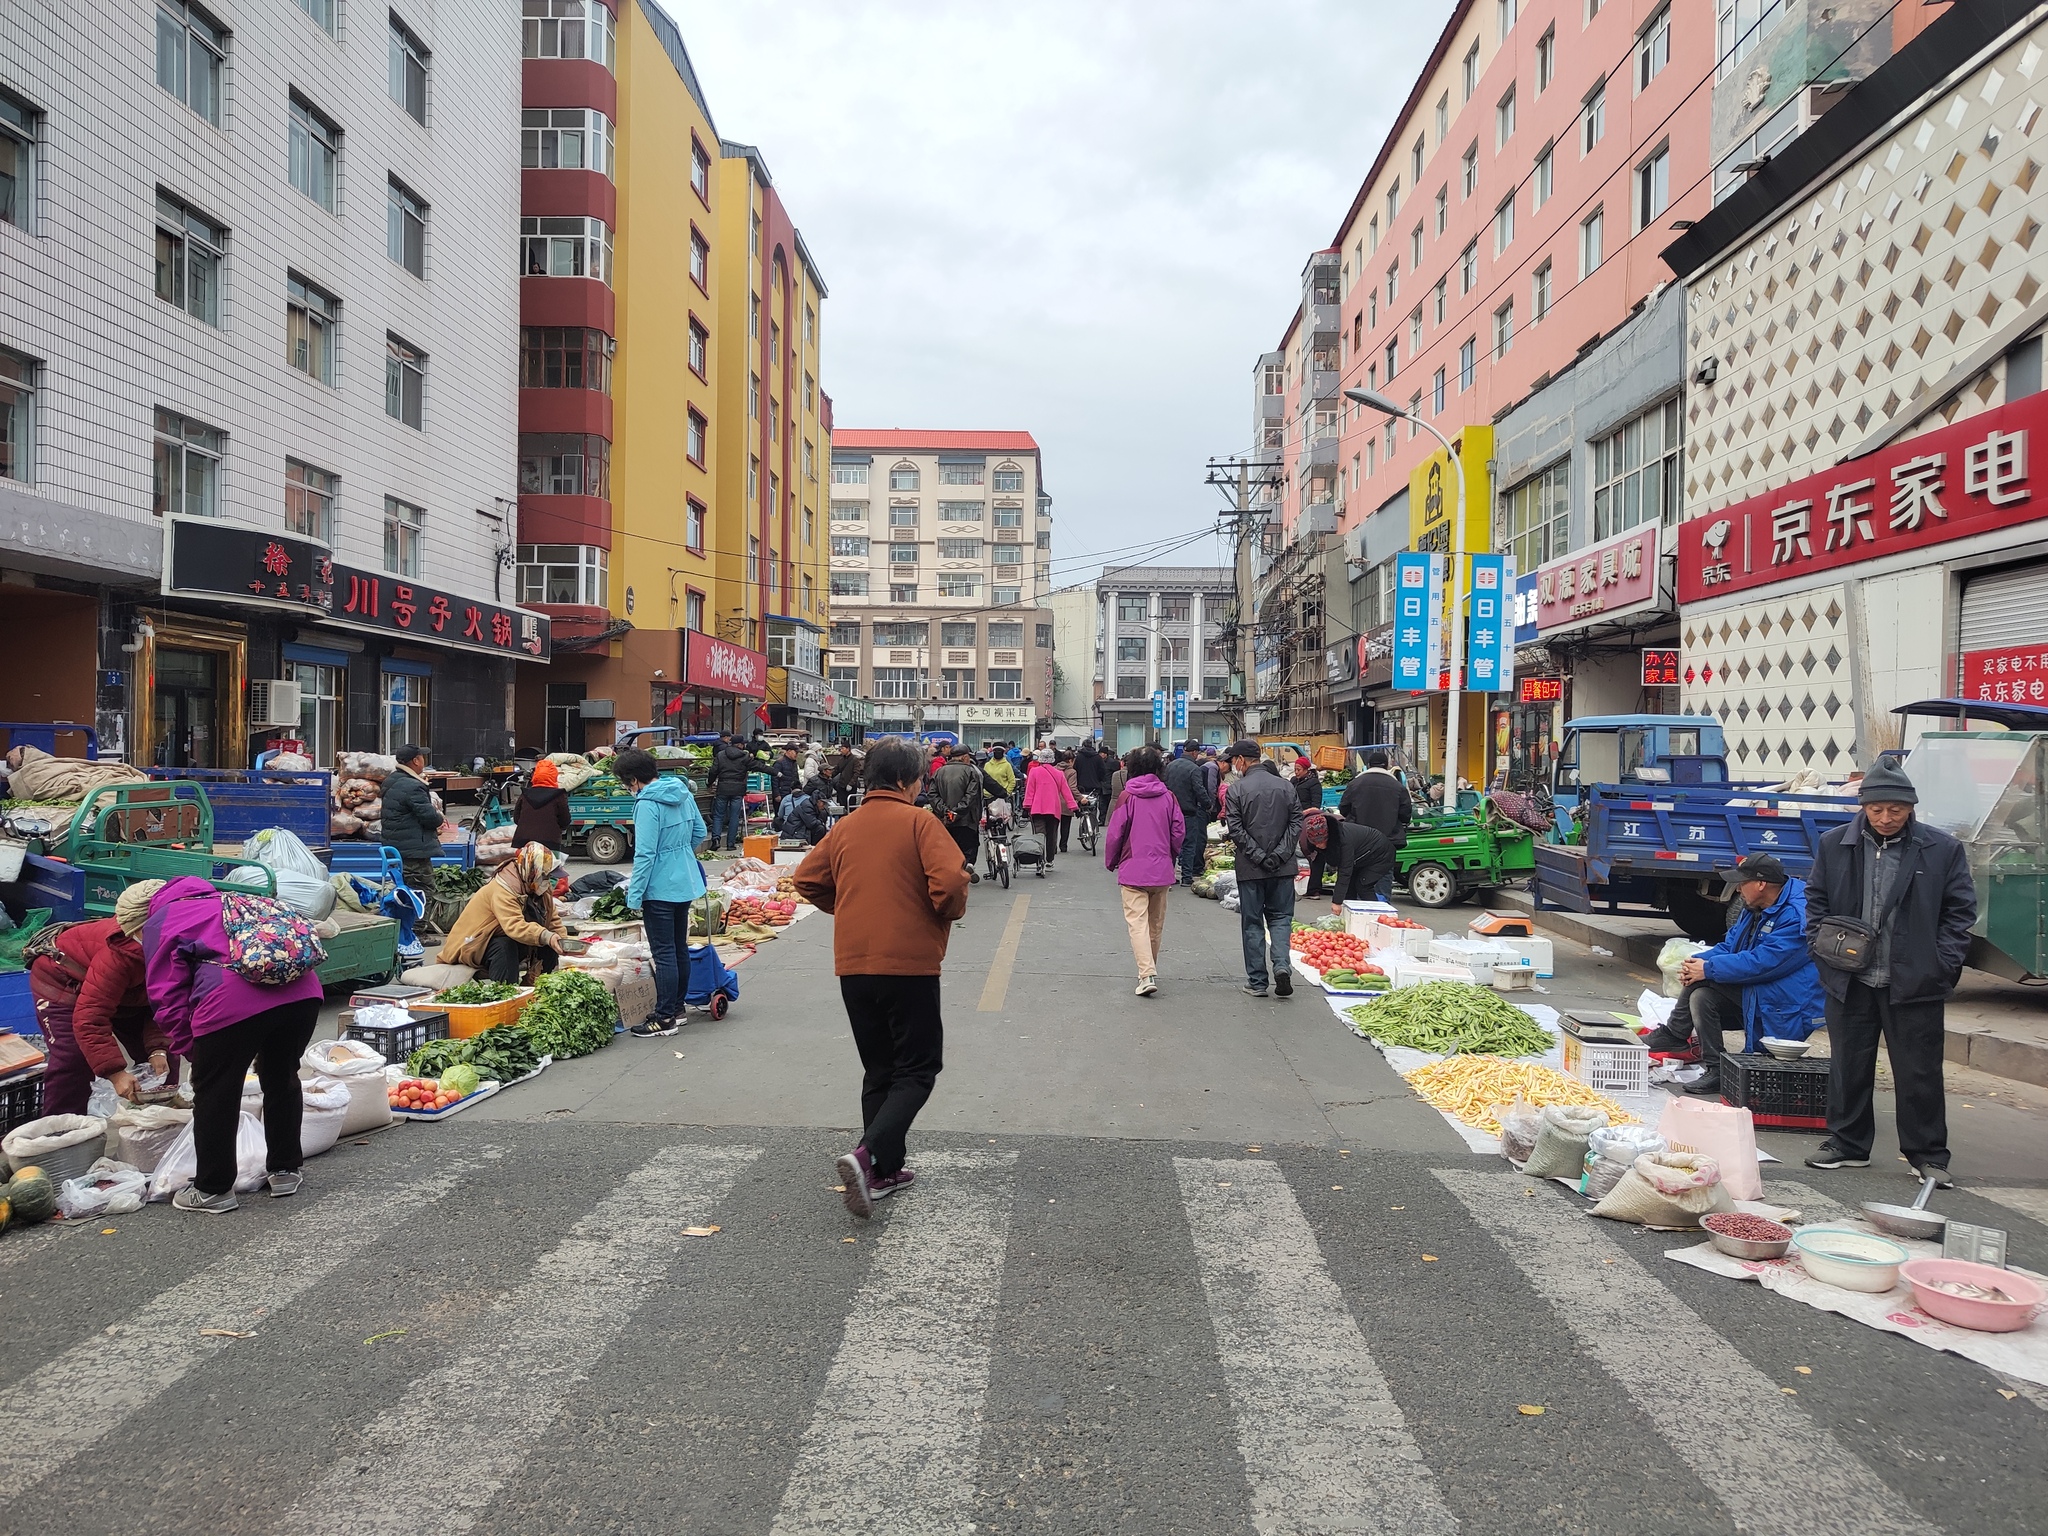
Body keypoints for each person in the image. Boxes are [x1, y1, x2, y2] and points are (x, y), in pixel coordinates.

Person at [794, 736, 970, 1219]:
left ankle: (885, 1171)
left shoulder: (846, 827)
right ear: (904, 780)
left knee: (879, 1069)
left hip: (854, 965)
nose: (919, 787)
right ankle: (867, 1154)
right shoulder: (919, 821)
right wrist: (941, 913)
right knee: (917, 1069)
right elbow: (952, 882)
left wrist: (848, 909)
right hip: (909, 964)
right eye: (918, 779)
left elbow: (806, 879)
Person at [1802, 760, 1976, 1183]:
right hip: (1850, 976)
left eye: (1894, 810)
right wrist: (1820, 950)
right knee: (1848, 1065)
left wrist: (1941, 964)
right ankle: (1848, 1144)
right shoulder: (1834, 844)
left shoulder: (1942, 849)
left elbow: (1960, 913)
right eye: (1876, 809)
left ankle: (1928, 1155)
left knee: (1919, 1071)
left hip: (1914, 980)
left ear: (1910, 808)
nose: (1885, 818)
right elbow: (1817, 901)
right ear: (1863, 807)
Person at [142, 876, 326, 1214]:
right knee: (282, 1076)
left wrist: (191, 1049)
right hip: (303, 994)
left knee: (216, 1090)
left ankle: (213, 1189)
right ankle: (285, 1171)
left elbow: (166, 994)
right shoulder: (244, 901)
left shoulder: (163, 920)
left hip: (230, 1003)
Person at [1641, 852, 1827, 1096]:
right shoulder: (1755, 905)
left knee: (1704, 980)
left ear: (1761, 884)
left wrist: (1706, 969)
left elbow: (1765, 963)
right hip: (1762, 987)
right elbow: (1730, 947)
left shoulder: (1796, 914)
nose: (1738, 889)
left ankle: (1675, 1034)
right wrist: (1697, 962)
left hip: (1787, 1000)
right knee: (1701, 995)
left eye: (1742, 883)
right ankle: (1715, 1068)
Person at [27, 888, 170, 1116]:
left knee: (163, 1062)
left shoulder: (179, 946)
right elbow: (90, 1017)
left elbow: (166, 1004)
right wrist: (115, 1073)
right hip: (64, 980)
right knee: (74, 1060)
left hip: (130, 991)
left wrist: (159, 1050)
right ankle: (60, 1133)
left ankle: (159, 1131)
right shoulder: (120, 954)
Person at [607, 747, 711, 1036]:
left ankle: (664, 1017)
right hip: (685, 881)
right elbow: (700, 832)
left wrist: (634, 895)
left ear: (633, 780)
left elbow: (644, 855)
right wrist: (679, 855)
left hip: (660, 887)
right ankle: (677, 1009)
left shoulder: (646, 804)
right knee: (679, 948)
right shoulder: (682, 791)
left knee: (664, 953)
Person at [1102, 745, 1183, 997]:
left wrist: (1111, 861)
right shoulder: (1168, 796)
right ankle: (1149, 968)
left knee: (1137, 923)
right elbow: (1179, 831)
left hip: (1133, 869)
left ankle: (1146, 973)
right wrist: (1170, 856)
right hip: (1161, 871)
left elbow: (1115, 834)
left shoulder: (1128, 797)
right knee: (1155, 924)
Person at [1225, 739, 1303, 998]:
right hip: (1282, 868)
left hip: (1251, 869)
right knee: (1281, 919)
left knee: (1253, 923)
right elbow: (1296, 824)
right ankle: (1281, 966)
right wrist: (1280, 854)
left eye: (1234, 759)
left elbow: (1236, 830)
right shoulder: (1286, 787)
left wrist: (1259, 856)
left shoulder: (1236, 791)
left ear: (1241, 761)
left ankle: (1258, 982)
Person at [438, 844, 567, 983]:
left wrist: (565, 943)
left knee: (551, 943)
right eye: (545, 876)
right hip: (474, 944)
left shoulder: (539, 887)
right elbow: (514, 926)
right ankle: (507, 992)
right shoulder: (503, 889)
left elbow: (553, 920)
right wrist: (547, 936)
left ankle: (536, 986)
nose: (548, 881)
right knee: (505, 945)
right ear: (533, 871)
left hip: (508, 939)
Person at [381, 743, 445, 926]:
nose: (424, 760)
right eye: (422, 757)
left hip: (398, 846)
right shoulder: (413, 786)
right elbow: (429, 817)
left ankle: (405, 927)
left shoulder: (391, 780)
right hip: (413, 850)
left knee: (407, 888)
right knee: (422, 889)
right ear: (415, 761)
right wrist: (439, 817)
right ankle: (417, 931)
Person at [1337, 751, 1412, 903]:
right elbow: (1406, 815)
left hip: (1359, 844)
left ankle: (1356, 916)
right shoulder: (1397, 787)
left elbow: (1343, 809)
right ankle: (1381, 913)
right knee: (1382, 880)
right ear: (1387, 766)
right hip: (1387, 843)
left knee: (1357, 880)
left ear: (1368, 765)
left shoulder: (1355, 784)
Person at [1300, 808, 1395, 913]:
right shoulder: (1317, 841)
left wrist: (1337, 902)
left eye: (1321, 841)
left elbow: (1345, 871)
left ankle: (1378, 915)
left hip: (1380, 854)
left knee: (1363, 885)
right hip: (1361, 856)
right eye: (1315, 843)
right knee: (1349, 889)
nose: (1319, 845)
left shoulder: (1343, 841)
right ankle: (1351, 918)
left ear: (1328, 835)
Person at [931, 746, 984, 883]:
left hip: (945, 820)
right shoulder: (971, 772)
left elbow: (932, 795)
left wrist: (945, 811)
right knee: (967, 849)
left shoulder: (938, 772)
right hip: (967, 820)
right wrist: (957, 811)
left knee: (948, 851)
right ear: (965, 757)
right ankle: (963, 872)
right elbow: (971, 796)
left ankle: (952, 875)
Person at [1164, 745, 1216, 887]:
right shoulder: (1194, 769)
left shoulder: (1170, 766)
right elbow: (1199, 789)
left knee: (1170, 845)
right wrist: (1208, 804)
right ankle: (1187, 877)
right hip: (1188, 812)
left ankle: (1170, 875)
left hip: (1170, 811)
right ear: (1194, 752)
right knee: (1188, 845)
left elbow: (1165, 786)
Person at [1022, 747, 1076, 871]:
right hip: (1053, 809)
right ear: (1052, 760)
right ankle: (1050, 860)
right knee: (1052, 835)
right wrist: (1074, 807)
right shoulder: (1059, 774)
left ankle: (1039, 858)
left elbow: (1030, 791)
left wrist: (1026, 806)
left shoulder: (1034, 772)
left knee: (1039, 835)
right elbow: (1066, 792)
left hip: (1037, 808)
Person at [512, 758, 572, 851]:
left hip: (523, 842)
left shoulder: (525, 794)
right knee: (551, 865)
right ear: (554, 776)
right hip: (550, 843)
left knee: (524, 865)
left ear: (535, 776)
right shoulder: (559, 796)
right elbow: (565, 820)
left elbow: (516, 818)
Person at [708, 732, 754, 851]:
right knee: (734, 817)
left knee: (718, 815)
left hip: (722, 787)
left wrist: (709, 783)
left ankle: (716, 840)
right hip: (738, 789)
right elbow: (758, 766)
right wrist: (776, 773)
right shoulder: (744, 756)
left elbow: (713, 771)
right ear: (739, 745)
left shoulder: (720, 755)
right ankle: (730, 844)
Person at [1058, 750, 1082, 854]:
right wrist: (1080, 798)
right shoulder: (1072, 772)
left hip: (1054, 800)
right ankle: (1063, 846)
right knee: (1065, 825)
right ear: (1071, 760)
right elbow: (1072, 787)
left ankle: (1052, 846)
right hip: (1066, 801)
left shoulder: (1055, 769)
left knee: (1053, 826)